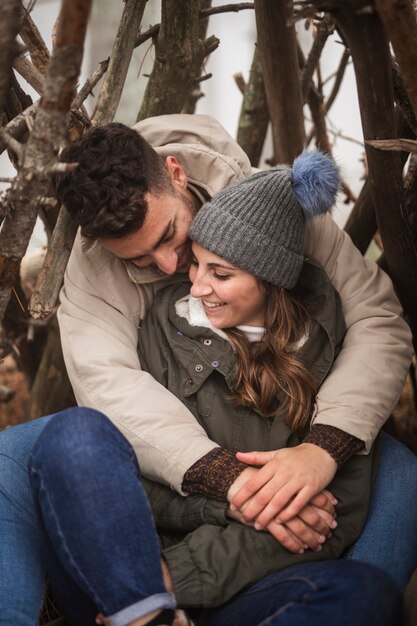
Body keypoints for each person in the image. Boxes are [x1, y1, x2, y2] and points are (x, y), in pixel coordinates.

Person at [0, 116, 415, 625]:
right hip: (153, 510)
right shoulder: (127, 302)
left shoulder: (282, 226)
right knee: (53, 444)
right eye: (140, 258)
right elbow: (111, 393)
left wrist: (323, 448)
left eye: (173, 236)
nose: (174, 267)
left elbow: (377, 319)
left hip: (252, 565)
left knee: (380, 523)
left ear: (175, 173)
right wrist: (230, 486)